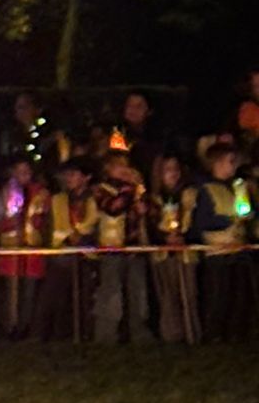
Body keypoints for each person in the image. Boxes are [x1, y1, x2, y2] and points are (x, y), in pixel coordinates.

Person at [189, 141, 256, 341]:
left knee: (239, 295)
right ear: (217, 163)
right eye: (230, 161)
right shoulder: (206, 190)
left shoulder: (238, 186)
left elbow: (246, 210)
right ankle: (214, 334)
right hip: (217, 251)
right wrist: (229, 220)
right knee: (219, 295)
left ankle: (236, 333)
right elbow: (202, 222)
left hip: (239, 248)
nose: (234, 166)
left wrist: (248, 217)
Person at [34, 156, 99, 340]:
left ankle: (84, 336)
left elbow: (94, 225)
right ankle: (49, 336)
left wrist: (83, 237)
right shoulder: (58, 200)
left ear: (86, 177)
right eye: (67, 174)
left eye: (74, 174)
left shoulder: (94, 199)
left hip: (85, 256)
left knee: (83, 300)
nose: (69, 178)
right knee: (53, 298)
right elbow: (50, 226)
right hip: (60, 256)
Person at [91, 146, 150, 344]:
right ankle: (106, 335)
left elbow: (145, 211)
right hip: (112, 247)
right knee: (111, 292)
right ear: (108, 168)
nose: (124, 170)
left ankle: (138, 332)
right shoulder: (101, 189)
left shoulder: (135, 190)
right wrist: (128, 190)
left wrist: (143, 206)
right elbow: (113, 208)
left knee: (138, 292)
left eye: (127, 166)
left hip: (135, 247)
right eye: (119, 166)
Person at [0, 152, 51, 338]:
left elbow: (46, 222)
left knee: (29, 293)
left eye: (26, 171)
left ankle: (26, 328)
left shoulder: (41, 193)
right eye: (18, 171)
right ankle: (9, 327)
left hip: (32, 250)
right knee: (10, 292)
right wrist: (7, 223)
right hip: (10, 250)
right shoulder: (5, 192)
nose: (22, 175)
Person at [146, 152, 199, 343]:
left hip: (185, 251)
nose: (173, 174)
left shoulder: (189, 194)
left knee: (189, 293)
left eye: (175, 169)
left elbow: (194, 220)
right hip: (163, 253)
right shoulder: (154, 199)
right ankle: (171, 336)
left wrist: (183, 236)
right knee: (169, 295)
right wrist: (165, 237)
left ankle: (192, 333)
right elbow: (150, 224)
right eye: (168, 170)